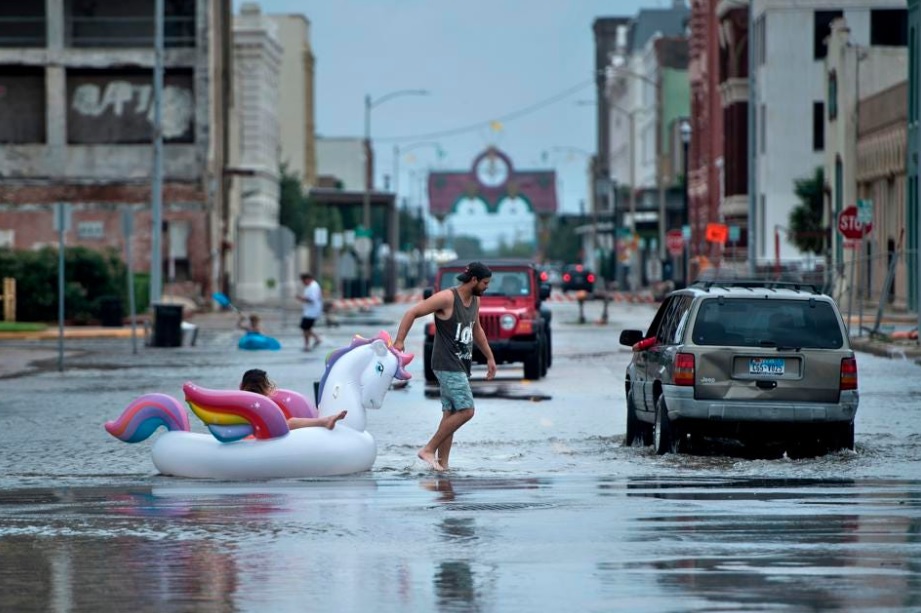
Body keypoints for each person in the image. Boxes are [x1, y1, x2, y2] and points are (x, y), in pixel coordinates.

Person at [393, 261, 497, 472]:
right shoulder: (447, 298)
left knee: (450, 414)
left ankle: (443, 465)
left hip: (460, 363)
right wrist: (399, 341)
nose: (487, 287)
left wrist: (489, 357)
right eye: (485, 282)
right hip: (446, 363)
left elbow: (476, 329)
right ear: (474, 279)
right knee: (467, 410)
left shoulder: (475, 300)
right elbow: (411, 312)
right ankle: (429, 449)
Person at [239, 369, 346, 430]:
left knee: (287, 421)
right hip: (260, 432)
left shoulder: (243, 400)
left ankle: (325, 420)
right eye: (267, 383)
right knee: (287, 423)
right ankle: (324, 421)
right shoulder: (262, 403)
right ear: (263, 386)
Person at [298, 272, 323, 351]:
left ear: (308, 279)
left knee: (305, 328)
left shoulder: (313, 287)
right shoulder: (310, 286)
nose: (303, 283)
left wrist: (301, 298)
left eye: (303, 281)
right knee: (306, 327)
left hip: (312, 312)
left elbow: (312, 299)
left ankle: (307, 345)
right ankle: (317, 339)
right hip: (309, 311)